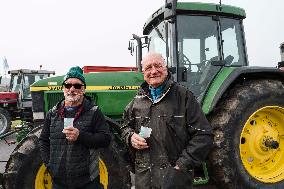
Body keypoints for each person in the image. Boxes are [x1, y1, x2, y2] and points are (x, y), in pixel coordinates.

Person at [121, 53, 213, 189]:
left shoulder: (184, 97)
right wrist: (130, 137)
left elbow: (203, 135)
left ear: (166, 68)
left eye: (158, 65)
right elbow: (124, 127)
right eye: (148, 68)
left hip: (174, 180)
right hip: (144, 180)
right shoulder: (138, 100)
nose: (153, 71)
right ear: (143, 73)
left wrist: (181, 165)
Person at [39, 66, 111, 189]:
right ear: (63, 88)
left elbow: (105, 139)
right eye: (68, 85)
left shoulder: (94, 112)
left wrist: (80, 136)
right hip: (59, 182)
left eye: (77, 86)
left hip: (87, 181)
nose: (72, 89)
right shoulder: (52, 113)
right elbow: (43, 140)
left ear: (83, 89)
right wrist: (50, 165)